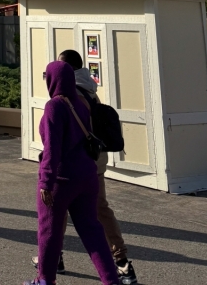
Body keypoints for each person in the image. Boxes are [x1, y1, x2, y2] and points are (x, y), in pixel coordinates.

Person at [25, 60, 119, 285]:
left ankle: (45, 280)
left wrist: (46, 182)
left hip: (61, 179)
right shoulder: (80, 104)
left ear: (52, 80)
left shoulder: (54, 107)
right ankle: (111, 280)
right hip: (87, 176)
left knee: (49, 232)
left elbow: (52, 149)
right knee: (92, 232)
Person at [53, 50, 138, 284]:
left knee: (58, 209)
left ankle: (54, 257)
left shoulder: (70, 95)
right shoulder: (90, 89)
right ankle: (121, 262)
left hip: (74, 162)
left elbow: (66, 131)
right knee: (100, 209)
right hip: (96, 160)